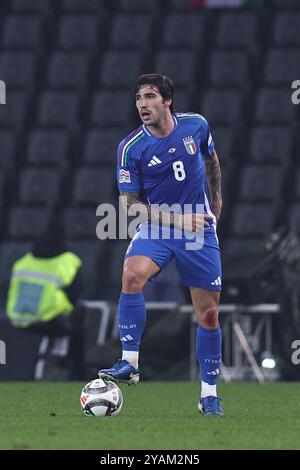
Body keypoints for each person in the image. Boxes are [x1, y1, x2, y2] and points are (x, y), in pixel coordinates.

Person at [99, 74, 224, 415]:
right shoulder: (131, 147)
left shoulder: (196, 125)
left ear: (167, 101)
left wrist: (216, 197)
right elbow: (128, 205)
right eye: (138, 97)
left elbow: (211, 159)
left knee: (209, 315)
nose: (142, 103)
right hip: (160, 225)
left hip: (199, 229)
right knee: (131, 276)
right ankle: (130, 362)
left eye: (150, 96)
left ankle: (209, 394)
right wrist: (177, 220)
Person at [6, 222, 83, 379]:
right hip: (49, 318)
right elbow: (74, 295)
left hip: (19, 317)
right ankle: (69, 369)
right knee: (77, 322)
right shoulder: (68, 261)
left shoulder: (22, 262)